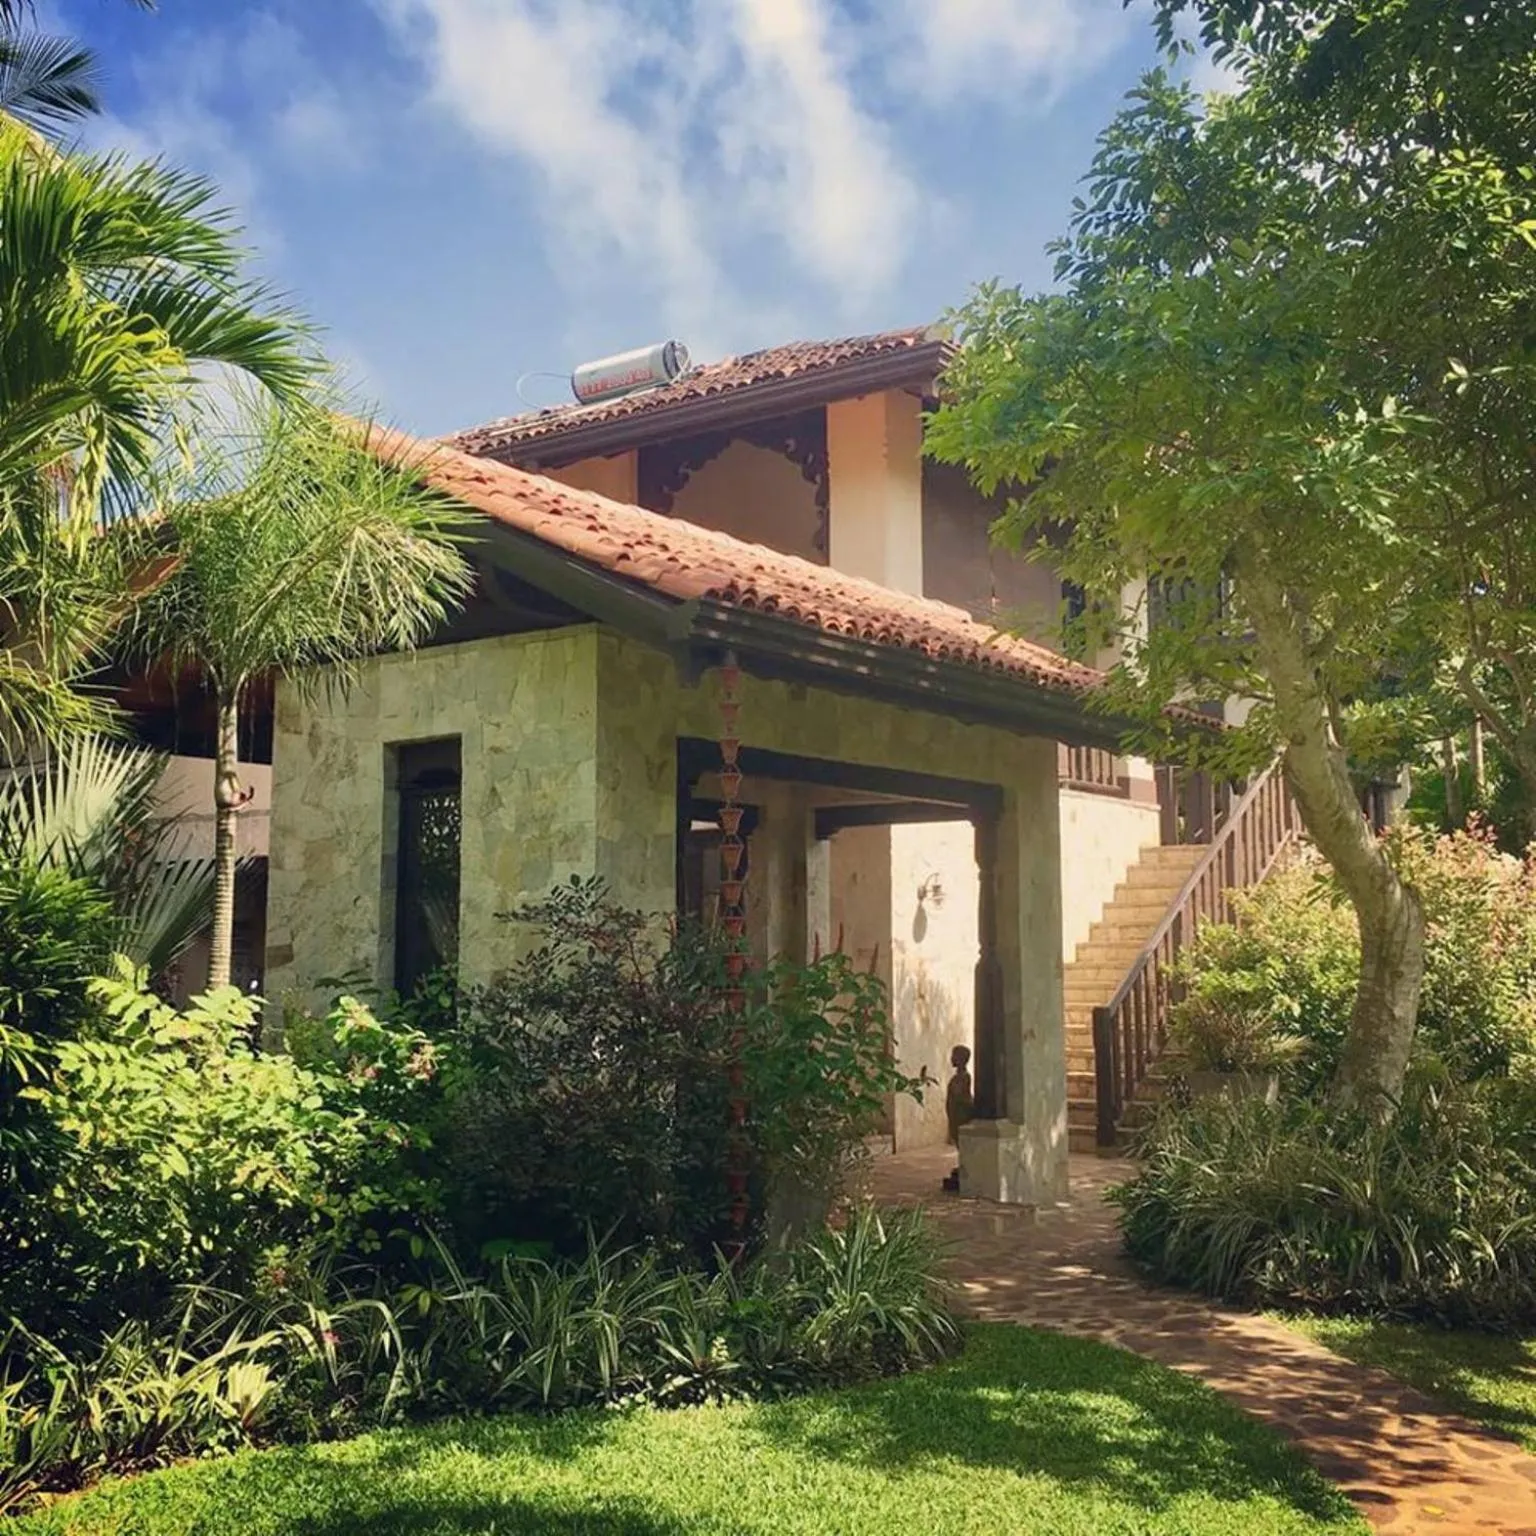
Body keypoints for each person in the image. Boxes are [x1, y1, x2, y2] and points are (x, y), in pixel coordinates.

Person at [942, 1043, 973, 1192]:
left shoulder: (964, 1077)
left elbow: (963, 1096)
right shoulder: (957, 1077)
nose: (951, 1059)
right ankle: (963, 1165)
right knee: (958, 1141)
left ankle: (966, 1166)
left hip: (960, 1115)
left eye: (954, 1056)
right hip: (954, 1115)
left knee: (961, 1142)